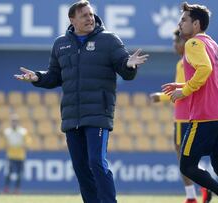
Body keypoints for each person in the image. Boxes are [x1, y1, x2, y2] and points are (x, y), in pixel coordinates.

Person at [14, 1, 148, 202]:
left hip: (98, 114)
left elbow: (125, 69)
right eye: (84, 15)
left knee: (96, 162)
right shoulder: (60, 43)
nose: (89, 18)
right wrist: (38, 77)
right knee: (81, 168)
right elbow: (54, 76)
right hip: (71, 117)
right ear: (72, 19)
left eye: (91, 14)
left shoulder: (109, 40)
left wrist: (129, 65)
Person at [162, 2, 218, 203]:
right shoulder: (212, 43)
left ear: (196, 24)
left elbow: (204, 70)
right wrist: (181, 84)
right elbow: (210, 75)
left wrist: (185, 90)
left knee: (187, 166)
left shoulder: (193, 43)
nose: (180, 24)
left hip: (206, 115)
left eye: (184, 20)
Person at [150, 29, 212, 203]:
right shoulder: (194, 60)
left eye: (175, 42)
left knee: (182, 157)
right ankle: (202, 186)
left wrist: (159, 97)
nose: (174, 45)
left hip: (183, 116)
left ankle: (193, 195)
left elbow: (183, 90)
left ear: (184, 42)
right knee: (189, 157)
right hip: (194, 114)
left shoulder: (184, 63)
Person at [3, 114, 29, 194]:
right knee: (9, 173)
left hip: (20, 156)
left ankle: (17, 190)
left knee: (19, 174)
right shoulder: (7, 132)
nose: (14, 123)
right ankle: (6, 189)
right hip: (11, 155)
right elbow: (5, 144)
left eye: (15, 121)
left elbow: (27, 143)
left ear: (18, 122)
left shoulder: (23, 132)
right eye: (12, 121)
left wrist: (23, 145)